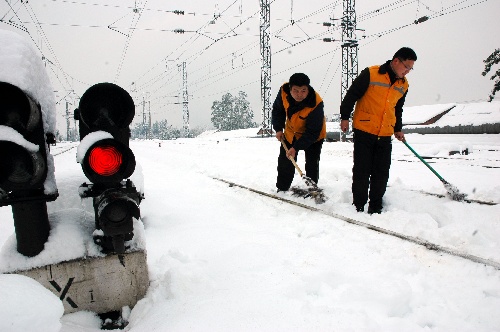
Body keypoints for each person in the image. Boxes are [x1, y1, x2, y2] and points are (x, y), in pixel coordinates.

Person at [339, 47, 417, 214]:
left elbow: (398, 109)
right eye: (406, 67)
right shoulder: (371, 73)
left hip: (385, 133)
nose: (408, 71)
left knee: (381, 173)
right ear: (396, 61)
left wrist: (397, 129)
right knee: (362, 171)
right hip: (364, 130)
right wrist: (345, 116)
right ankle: (358, 206)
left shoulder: (404, 85)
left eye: (411, 68)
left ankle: (376, 207)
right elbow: (352, 95)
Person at [272, 73, 326, 192]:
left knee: (312, 162)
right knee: (285, 161)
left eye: (303, 91)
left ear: (308, 89)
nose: (299, 94)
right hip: (291, 132)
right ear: (290, 89)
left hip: (313, 136)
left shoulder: (316, 103)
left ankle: (312, 190)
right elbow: (277, 110)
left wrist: (296, 148)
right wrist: (278, 128)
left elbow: (313, 132)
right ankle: (282, 189)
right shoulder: (283, 92)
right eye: (296, 90)